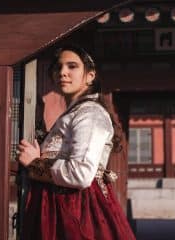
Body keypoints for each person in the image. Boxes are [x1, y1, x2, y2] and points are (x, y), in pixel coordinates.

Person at [17, 45, 136, 240]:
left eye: (72, 66)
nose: (62, 72)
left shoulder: (90, 114)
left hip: (77, 210)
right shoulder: (76, 112)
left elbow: (81, 174)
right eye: (58, 67)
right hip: (61, 205)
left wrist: (35, 163)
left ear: (90, 76)